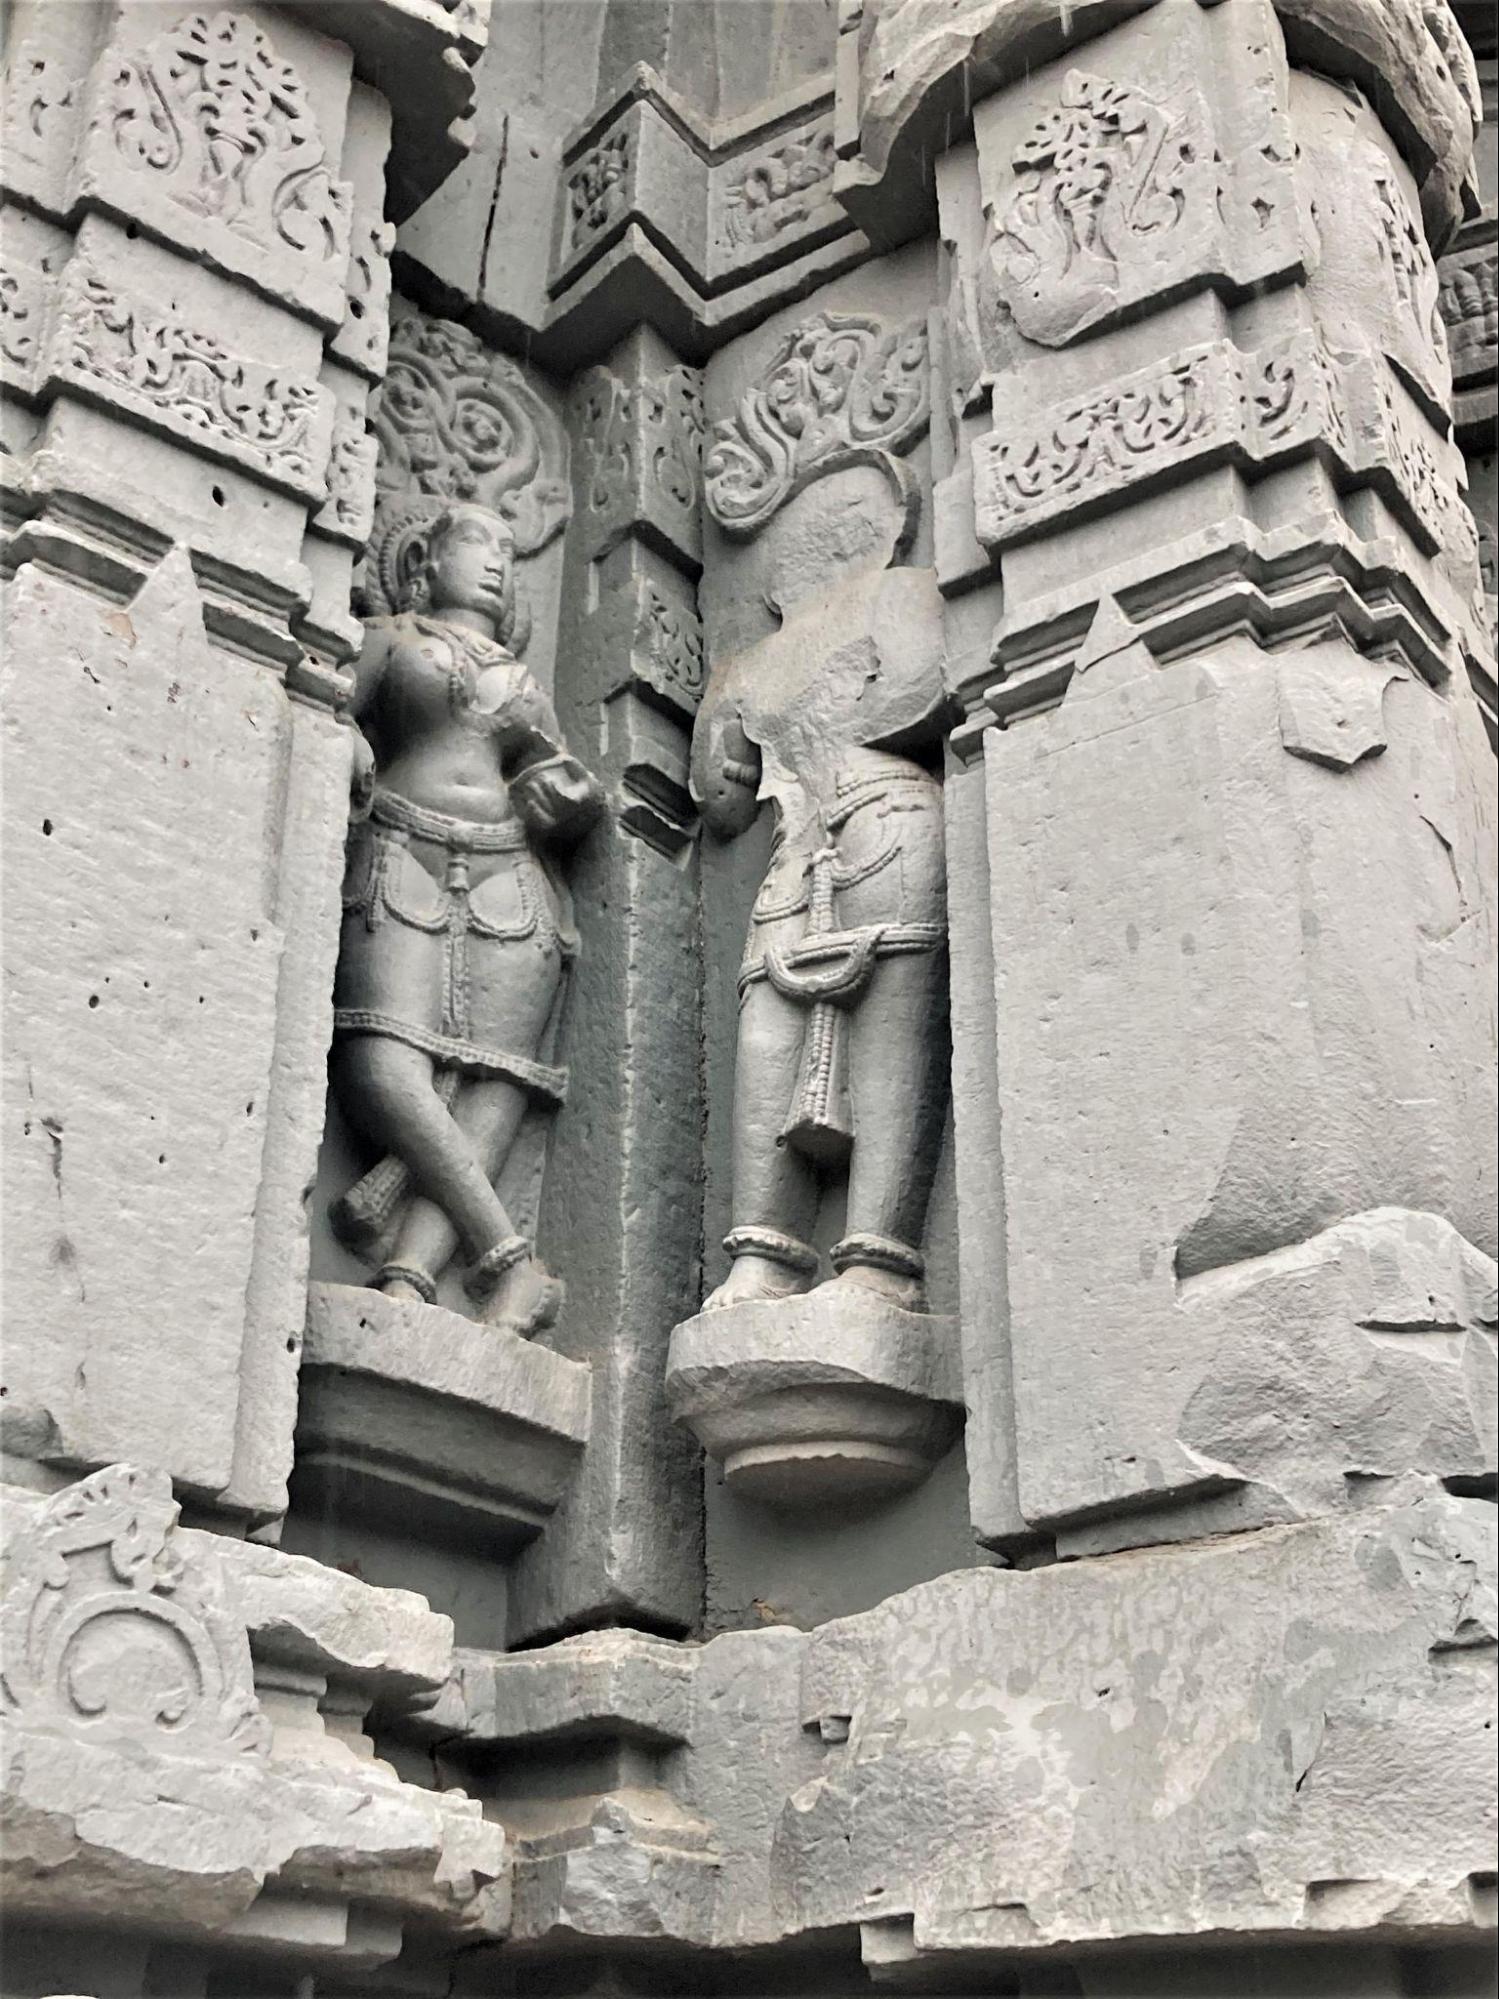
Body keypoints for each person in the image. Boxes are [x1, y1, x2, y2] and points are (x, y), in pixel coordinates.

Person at [330, 501, 602, 1332]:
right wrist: (345, 737)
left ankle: (411, 1276)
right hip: (400, 850)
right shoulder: (393, 637)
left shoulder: (518, 676)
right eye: (476, 543)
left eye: (509, 550)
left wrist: (572, 793)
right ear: (425, 557)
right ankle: (510, 1257)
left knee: (495, 1078)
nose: (494, 563)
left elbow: (556, 765)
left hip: (508, 873)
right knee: (380, 1065)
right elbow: (331, 696)